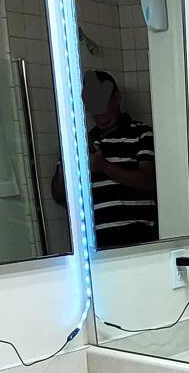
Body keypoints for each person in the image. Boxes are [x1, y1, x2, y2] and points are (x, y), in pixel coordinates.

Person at [52, 70, 158, 249]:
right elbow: (60, 196)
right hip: (98, 245)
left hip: (140, 239)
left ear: (116, 98)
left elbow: (150, 182)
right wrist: (66, 166)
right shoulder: (81, 143)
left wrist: (104, 167)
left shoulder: (141, 133)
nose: (98, 113)